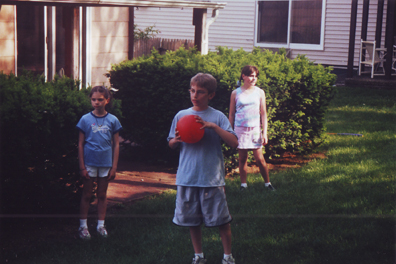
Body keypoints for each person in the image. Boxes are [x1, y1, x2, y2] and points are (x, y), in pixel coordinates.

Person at [168, 73, 239, 264]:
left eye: (200, 92)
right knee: (192, 221)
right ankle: (198, 256)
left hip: (211, 178)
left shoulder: (217, 116)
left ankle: (227, 256)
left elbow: (234, 143)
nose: (195, 95)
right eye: (192, 91)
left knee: (221, 220)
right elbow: (171, 143)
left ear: (211, 95)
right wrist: (176, 140)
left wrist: (213, 127)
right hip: (187, 177)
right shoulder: (181, 116)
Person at [76, 86, 122, 240]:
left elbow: (116, 144)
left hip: (105, 163)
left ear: (107, 100)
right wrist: (82, 166)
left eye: (100, 99)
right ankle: (83, 227)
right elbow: (81, 144)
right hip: (89, 163)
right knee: (87, 194)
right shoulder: (85, 119)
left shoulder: (113, 120)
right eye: (93, 99)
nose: (96, 102)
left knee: (102, 194)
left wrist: (114, 167)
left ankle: (100, 225)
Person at [228, 65, 275, 191]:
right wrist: (230, 131)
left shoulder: (259, 92)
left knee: (260, 159)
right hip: (240, 130)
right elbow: (231, 114)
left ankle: (268, 184)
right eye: (251, 76)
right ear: (243, 76)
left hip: (254, 130)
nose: (253, 79)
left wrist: (264, 133)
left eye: (255, 76)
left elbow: (264, 113)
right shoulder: (235, 93)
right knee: (242, 158)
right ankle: (243, 185)